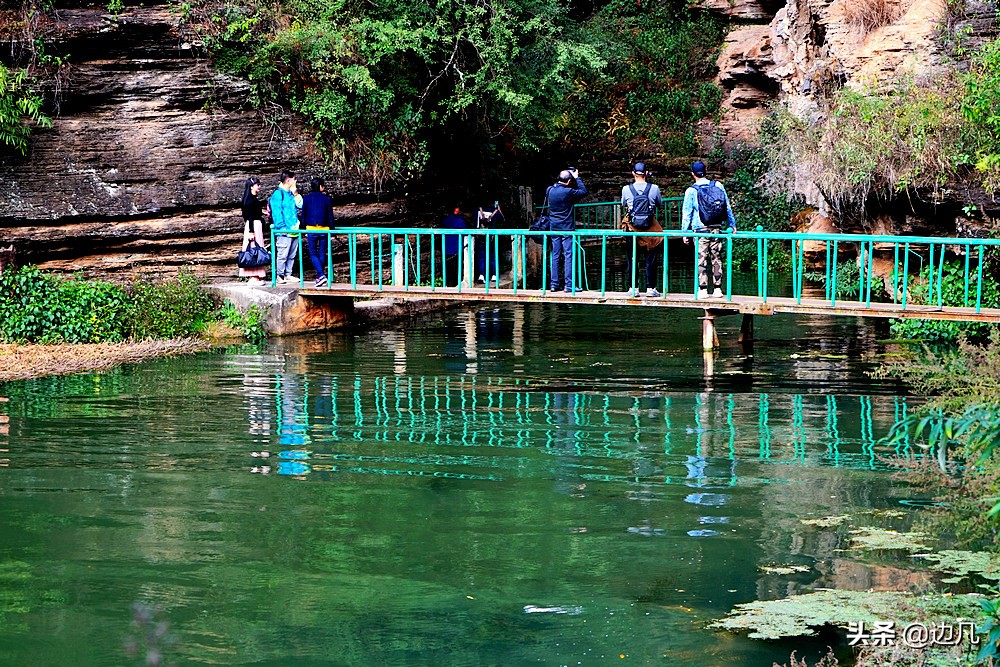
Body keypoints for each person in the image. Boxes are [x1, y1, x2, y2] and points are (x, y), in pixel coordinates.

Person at [681, 161, 737, 299]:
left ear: (692, 174)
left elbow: (687, 214)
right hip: (716, 228)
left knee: (701, 259)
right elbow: (727, 206)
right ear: (706, 171)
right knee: (716, 258)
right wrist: (732, 224)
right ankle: (718, 289)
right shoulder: (717, 185)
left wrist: (684, 233)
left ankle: (703, 289)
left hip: (700, 230)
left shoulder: (691, 191)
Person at [620, 162, 664, 298]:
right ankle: (651, 288)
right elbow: (659, 203)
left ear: (633, 173)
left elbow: (623, 204)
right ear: (646, 173)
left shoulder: (626, 189)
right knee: (651, 258)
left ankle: (633, 288)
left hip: (632, 229)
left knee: (632, 259)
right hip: (649, 229)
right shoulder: (654, 188)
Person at [547, 168, 588, 293]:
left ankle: (554, 284)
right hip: (567, 228)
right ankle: (569, 285)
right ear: (569, 180)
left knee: (555, 255)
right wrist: (577, 178)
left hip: (554, 227)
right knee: (568, 255)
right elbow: (583, 192)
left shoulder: (549, 190)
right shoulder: (568, 192)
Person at [301, 177, 336, 287]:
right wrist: (333, 232)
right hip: (324, 229)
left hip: (311, 229)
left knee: (313, 253)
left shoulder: (306, 198)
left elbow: (303, 216)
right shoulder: (326, 199)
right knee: (321, 253)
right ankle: (320, 276)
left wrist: (303, 229)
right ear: (320, 187)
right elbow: (330, 217)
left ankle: (320, 275)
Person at [269, 171, 299, 285]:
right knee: (283, 254)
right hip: (284, 231)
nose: (295, 181)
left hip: (294, 229)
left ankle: (288, 274)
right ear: (288, 181)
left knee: (292, 254)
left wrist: (296, 194)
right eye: (294, 179)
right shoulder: (278, 194)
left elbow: (300, 205)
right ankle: (280, 275)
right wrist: (282, 227)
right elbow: (277, 212)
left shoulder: (291, 194)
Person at [239, 177, 267, 284]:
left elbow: (253, 213)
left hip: (254, 225)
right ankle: (253, 276)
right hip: (253, 226)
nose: (259, 187)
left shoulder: (252, 198)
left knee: (256, 249)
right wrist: (251, 232)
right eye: (257, 185)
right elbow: (250, 216)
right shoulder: (250, 200)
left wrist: (263, 212)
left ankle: (256, 275)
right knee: (254, 250)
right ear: (251, 186)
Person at [475, 202, 506, 284]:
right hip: (492, 238)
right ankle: (494, 275)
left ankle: (481, 275)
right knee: (492, 257)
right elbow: (503, 220)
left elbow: (474, 222)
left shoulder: (478, 210)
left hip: (480, 237)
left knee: (481, 257)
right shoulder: (495, 211)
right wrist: (499, 209)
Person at [441, 207, 468, 286]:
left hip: (447, 247)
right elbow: (465, 233)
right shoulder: (460, 221)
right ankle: (457, 284)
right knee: (458, 267)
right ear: (456, 210)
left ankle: (446, 284)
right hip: (458, 248)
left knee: (448, 267)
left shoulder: (445, 220)